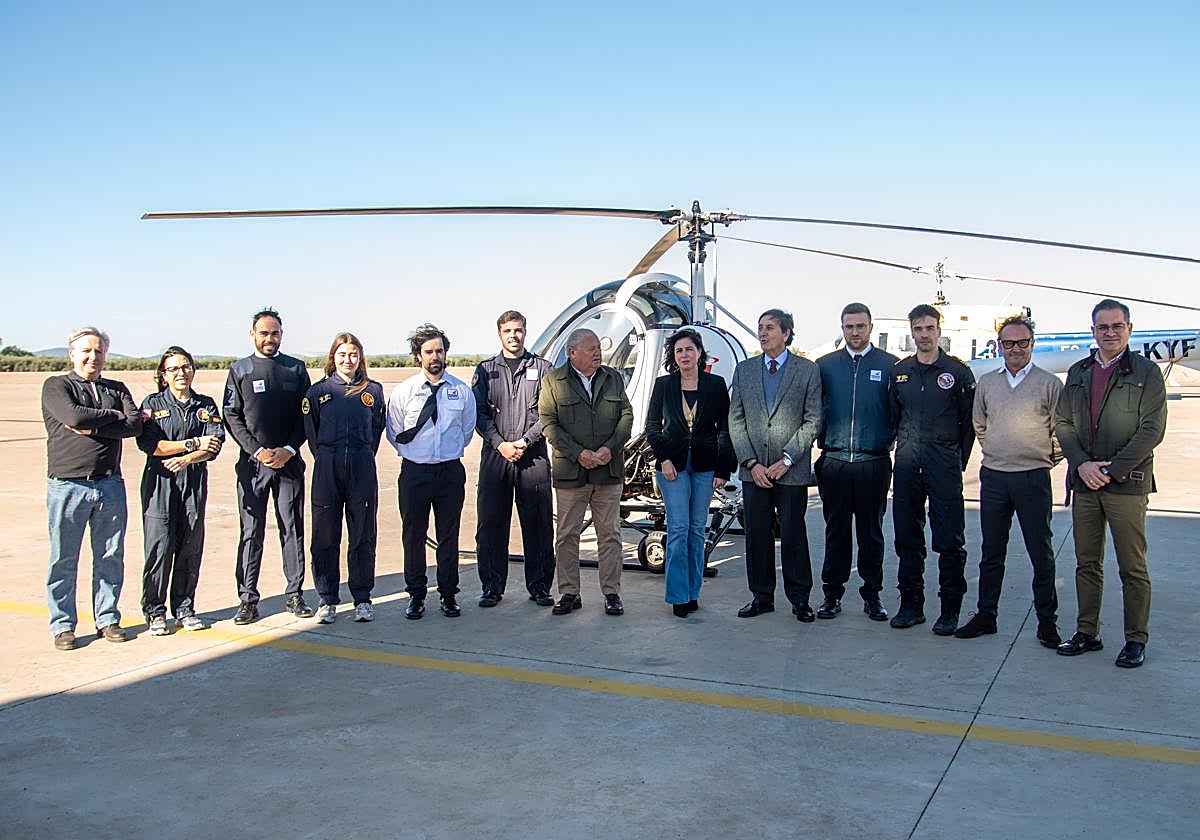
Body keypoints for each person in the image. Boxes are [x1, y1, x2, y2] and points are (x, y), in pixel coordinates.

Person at [1054, 299, 1166, 668]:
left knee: (1132, 567)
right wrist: (1082, 464)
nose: (1110, 333)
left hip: (1126, 484)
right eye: (1103, 327)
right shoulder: (1079, 371)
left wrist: (1112, 469)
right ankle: (1087, 632)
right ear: (1093, 331)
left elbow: (1152, 430)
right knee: (1087, 563)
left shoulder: (1147, 373)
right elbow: (1064, 424)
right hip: (1085, 483)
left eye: (1117, 326)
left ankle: (1135, 639)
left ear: (1129, 329)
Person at [956, 316, 1064, 647]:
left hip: (1033, 478)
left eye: (1022, 343)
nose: (1015, 349)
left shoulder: (1049, 384)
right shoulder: (988, 382)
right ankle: (986, 614)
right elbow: (980, 424)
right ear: (999, 345)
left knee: (1040, 551)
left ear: (1032, 344)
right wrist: (1000, 452)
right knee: (991, 551)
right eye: (1008, 343)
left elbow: (1061, 431)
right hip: (995, 477)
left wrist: (1043, 457)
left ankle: (1047, 621)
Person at [41, 326, 142, 650]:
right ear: (72, 353)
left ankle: (107, 618)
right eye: (86, 351)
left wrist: (95, 422)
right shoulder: (57, 386)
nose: (92, 357)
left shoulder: (116, 386)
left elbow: (134, 424)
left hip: (109, 484)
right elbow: (72, 415)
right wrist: (112, 416)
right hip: (67, 485)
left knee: (110, 555)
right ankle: (63, 625)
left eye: (98, 351)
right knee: (63, 558)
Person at [728, 309, 823, 621]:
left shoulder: (807, 370)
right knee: (757, 534)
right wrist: (752, 463)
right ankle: (761, 596)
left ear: (786, 333)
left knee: (794, 535)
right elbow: (736, 420)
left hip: (791, 470)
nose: (763, 333)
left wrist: (786, 459)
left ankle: (800, 599)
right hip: (754, 472)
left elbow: (813, 420)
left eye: (770, 328)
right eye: (760, 328)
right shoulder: (744, 371)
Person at [889, 304, 976, 635]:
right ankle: (911, 605)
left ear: (939, 331)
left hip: (944, 464)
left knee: (949, 540)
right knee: (907, 538)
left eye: (929, 328)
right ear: (911, 332)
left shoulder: (957, 372)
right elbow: (892, 417)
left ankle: (950, 609)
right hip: (909, 463)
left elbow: (969, 425)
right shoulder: (901, 373)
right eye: (918, 329)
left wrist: (956, 460)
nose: (924, 335)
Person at [223, 308, 313, 624]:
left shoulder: (296, 369)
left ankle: (295, 594)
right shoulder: (240, 370)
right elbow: (231, 416)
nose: (269, 338)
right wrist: (258, 451)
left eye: (274, 333)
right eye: (264, 333)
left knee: (292, 528)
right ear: (253, 334)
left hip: (288, 464)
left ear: (281, 335)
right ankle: (248, 599)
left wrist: (289, 449)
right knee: (251, 531)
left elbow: (307, 415)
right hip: (253, 466)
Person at [539, 328, 634, 616]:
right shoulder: (553, 382)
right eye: (591, 348)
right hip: (572, 473)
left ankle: (612, 593)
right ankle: (569, 592)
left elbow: (626, 415)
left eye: (598, 348)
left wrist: (610, 448)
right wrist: (578, 453)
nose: (598, 353)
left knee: (610, 535)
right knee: (567, 535)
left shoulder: (612, 377)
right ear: (572, 352)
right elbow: (549, 423)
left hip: (608, 471)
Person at [386, 323, 477, 619]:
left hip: (449, 472)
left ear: (446, 353)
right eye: (428, 352)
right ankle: (416, 594)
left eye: (439, 350)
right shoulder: (404, 392)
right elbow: (394, 430)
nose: (435, 356)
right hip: (415, 473)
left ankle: (449, 594)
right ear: (418, 356)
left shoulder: (461, 391)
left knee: (448, 535)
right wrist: (417, 455)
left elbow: (466, 431)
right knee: (413, 535)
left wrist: (445, 454)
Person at [814, 303, 898, 623]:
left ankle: (872, 595)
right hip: (834, 461)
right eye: (849, 327)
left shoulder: (890, 365)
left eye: (860, 326)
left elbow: (895, 412)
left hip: (872, 462)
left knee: (870, 531)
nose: (855, 332)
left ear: (871, 327)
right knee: (836, 531)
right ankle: (832, 594)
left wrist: (884, 440)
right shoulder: (825, 366)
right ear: (842, 328)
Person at [644, 328, 734, 617]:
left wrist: (723, 468)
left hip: (706, 466)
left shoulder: (716, 385)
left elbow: (725, 430)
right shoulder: (664, 385)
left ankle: (693, 591)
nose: (684, 355)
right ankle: (677, 595)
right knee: (679, 528)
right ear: (673, 355)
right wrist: (664, 458)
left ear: (699, 353)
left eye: (689, 349)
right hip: (673, 466)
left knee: (697, 529)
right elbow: (652, 425)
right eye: (679, 350)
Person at [136, 346, 225, 635]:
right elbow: (151, 446)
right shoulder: (152, 403)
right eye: (173, 368)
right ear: (163, 374)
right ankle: (155, 610)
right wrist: (191, 444)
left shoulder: (205, 405)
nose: (181, 373)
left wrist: (188, 458)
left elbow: (213, 445)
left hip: (193, 482)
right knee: (160, 547)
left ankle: (185, 607)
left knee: (190, 545)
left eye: (185, 367)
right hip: (160, 483)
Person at [471, 310, 555, 608]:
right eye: (507, 330)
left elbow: (548, 412)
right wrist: (500, 444)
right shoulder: (485, 370)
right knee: (491, 524)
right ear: (499, 334)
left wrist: (524, 441)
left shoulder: (543, 368)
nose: (513, 335)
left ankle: (540, 586)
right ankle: (492, 587)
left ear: (525, 331)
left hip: (532, 459)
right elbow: (477, 413)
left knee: (539, 524)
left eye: (518, 330)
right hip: (496, 458)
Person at [303, 333, 386, 624]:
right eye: (341, 354)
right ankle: (327, 599)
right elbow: (311, 432)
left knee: (363, 532)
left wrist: (362, 455)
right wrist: (328, 457)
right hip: (328, 464)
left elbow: (377, 427)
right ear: (333, 357)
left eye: (353, 354)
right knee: (325, 533)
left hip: (362, 465)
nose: (347, 360)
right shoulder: (318, 392)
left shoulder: (373, 391)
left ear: (360, 357)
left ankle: (362, 597)